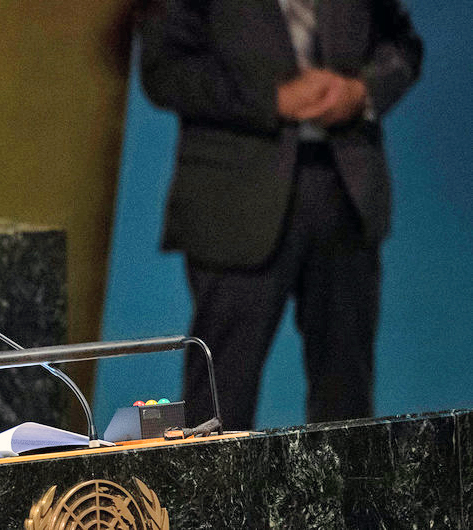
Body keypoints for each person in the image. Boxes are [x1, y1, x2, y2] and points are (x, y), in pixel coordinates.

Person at [138, 0, 422, 430]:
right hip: (234, 196)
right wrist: (272, 99)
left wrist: (363, 91)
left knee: (346, 397)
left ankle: (343, 500)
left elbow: (402, 45)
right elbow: (165, 70)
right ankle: (212, 499)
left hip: (346, 191)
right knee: (220, 397)